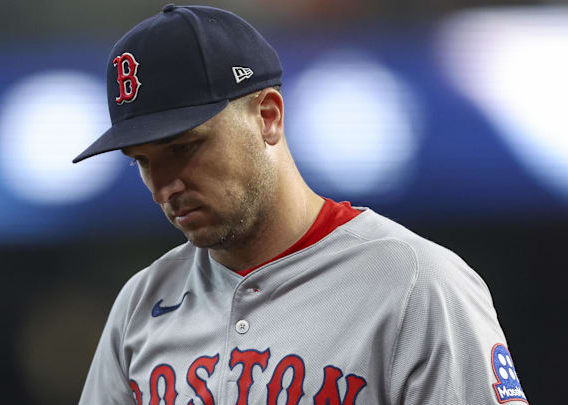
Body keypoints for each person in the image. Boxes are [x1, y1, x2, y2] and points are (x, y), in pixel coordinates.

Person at [73, 4, 528, 404]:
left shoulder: (415, 282)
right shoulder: (140, 302)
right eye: (143, 162)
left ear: (267, 116)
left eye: (183, 148)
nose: (163, 187)